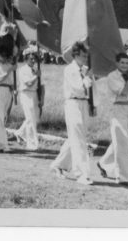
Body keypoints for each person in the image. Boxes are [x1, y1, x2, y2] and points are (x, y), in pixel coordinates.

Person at [50, 41, 94, 185]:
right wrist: (88, 79)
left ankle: (58, 165)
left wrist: (93, 104)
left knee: (76, 137)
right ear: (75, 55)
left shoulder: (87, 69)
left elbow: (92, 89)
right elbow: (78, 87)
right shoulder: (69, 70)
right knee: (79, 140)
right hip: (73, 103)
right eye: (82, 56)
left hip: (84, 103)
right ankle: (81, 174)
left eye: (86, 55)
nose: (85, 58)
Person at [97, 52, 128, 186]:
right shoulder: (112, 76)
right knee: (122, 142)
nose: (124, 65)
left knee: (123, 141)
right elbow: (123, 92)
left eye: (127, 63)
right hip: (118, 109)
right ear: (117, 63)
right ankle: (123, 177)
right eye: (122, 63)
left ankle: (103, 163)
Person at [15, 45, 42, 151]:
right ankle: (31, 143)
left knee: (34, 118)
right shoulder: (22, 70)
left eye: (34, 58)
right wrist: (36, 76)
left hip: (34, 94)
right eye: (31, 58)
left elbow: (38, 86)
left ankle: (20, 133)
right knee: (30, 119)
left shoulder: (34, 69)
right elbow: (28, 83)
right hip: (26, 94)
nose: (33, 60)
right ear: (26, 59)